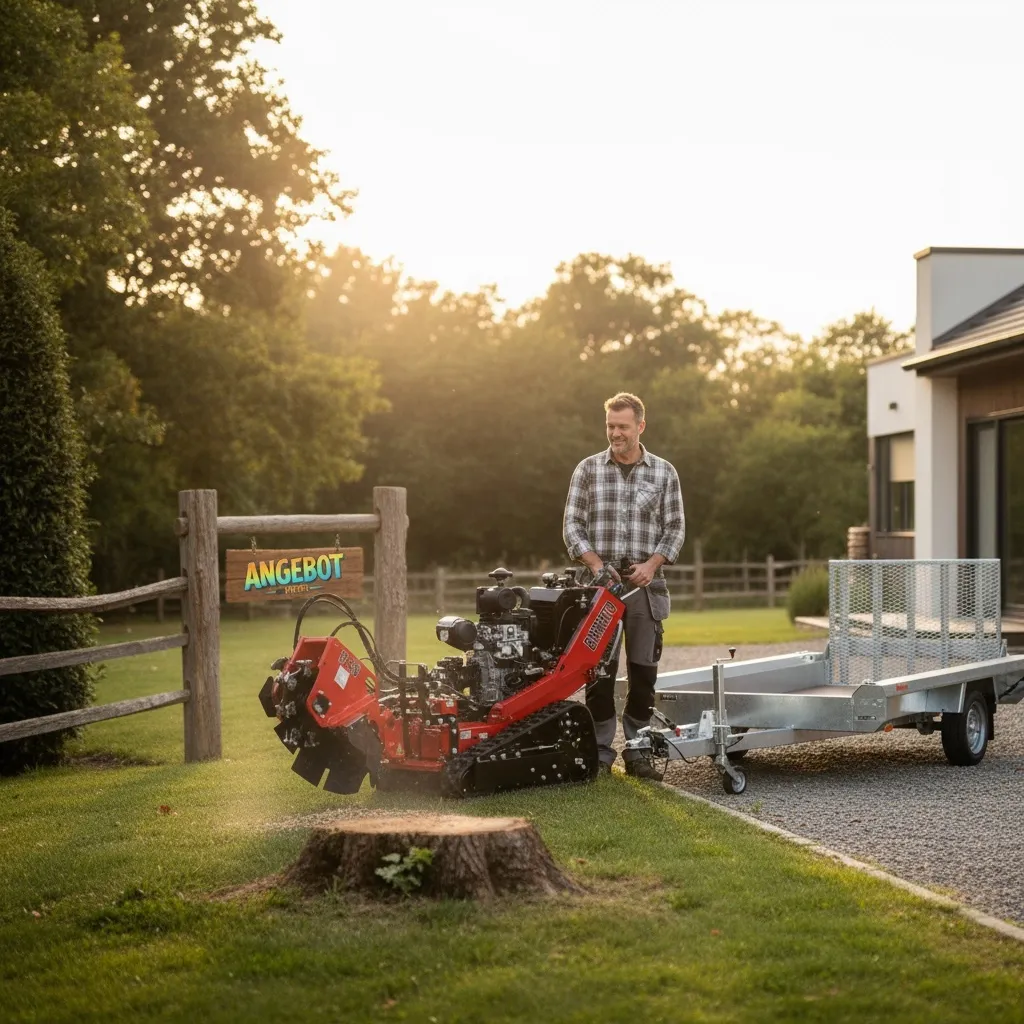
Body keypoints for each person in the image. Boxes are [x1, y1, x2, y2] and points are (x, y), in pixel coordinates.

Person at [562, 392, 685, 778]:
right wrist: (596, 565)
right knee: (597, 672)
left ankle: (638, 750)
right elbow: (571, 526)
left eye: (623, 427)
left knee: (643, 672)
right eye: (610, 426)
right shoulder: (587, 470)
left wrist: (652, 564)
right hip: (599, 588)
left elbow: (676, 529)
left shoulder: (664, 472)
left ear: (640, 427)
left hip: (645, 587)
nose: (615, 433)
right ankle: (599, 752)